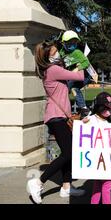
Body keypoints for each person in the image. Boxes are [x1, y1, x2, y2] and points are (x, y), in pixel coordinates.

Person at [27, 40, 86, 204]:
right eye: (55, 51)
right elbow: (79, 76)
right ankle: (38, 182)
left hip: (59, 116)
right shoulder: (53, 70)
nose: (58, 52)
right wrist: (82, 61)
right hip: (56, 117)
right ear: (49, 56)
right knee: (68, 152)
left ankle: (66, 187)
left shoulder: (51, 69)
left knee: (69, 152)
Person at [85, 92, 111, 204]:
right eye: (107, 109)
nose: (110, 111)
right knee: (106, 184)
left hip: (103, 159)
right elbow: (81, 132)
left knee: (98, 184)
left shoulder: (106, 122)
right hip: (98, 159)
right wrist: (82, 123)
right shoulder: (91, 119)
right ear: (99, 108)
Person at [60, 30, 92, 117]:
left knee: (67, 88)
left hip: (84, 76)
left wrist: (77, 68)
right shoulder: (62, 53)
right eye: (70, 42)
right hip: (72, 76)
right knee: (74, 88)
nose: (72, 44)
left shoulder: (77, 52)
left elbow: (86, 63)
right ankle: (84, 108)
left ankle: (61, 104)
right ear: (63, 43)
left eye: (74, 42)